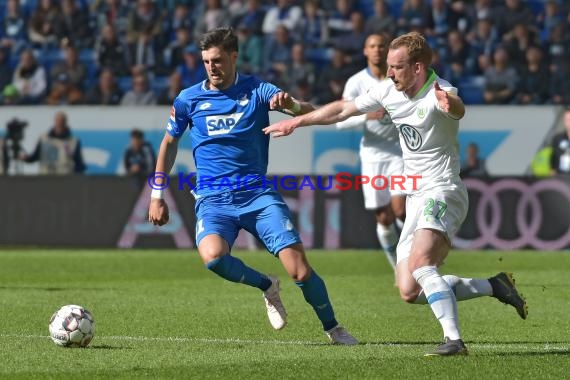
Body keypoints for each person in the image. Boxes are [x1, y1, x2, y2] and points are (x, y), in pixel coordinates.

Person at [264, 31, 527, 356]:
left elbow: (457, 109)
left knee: (421, 262)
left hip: (443, 190)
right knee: (409, 290)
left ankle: (454, 341)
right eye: (388, 66)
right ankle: (495, 285)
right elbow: (343, 110)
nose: (389, 73)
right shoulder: (389, 90)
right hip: (417, 195)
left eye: (396, 67)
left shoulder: (439, 91)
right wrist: (298, 121)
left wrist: (452, 104)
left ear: (417, 67)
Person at [148, 27, 357, 345]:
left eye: (217, 60)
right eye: (206, 61)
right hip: (213, 199)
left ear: (234, 57)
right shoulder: (189, 99)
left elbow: (309, 113)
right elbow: (168, 143)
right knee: (214, 258)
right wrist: (157, 194)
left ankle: (333, 327)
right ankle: (266, 285)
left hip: (257, 196)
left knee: (300, 271)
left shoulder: (259, 90)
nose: (211, 67)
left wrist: (293, 107)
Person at [336, 33, 405, 272]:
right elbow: (340, 121)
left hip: (400, 151)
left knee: (401, 210)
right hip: (373, 154)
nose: (377, 50)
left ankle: (417, 262)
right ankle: (398, 269)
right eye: (372, 46)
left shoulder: (400, 76)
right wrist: (366, 115)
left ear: (388, 50)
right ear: (365, 51)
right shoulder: (356, 82)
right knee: (384, 218)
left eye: (381, 46)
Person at [21, 111, 86, 174]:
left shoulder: (73, 141)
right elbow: (36, 156)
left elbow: (79, 163)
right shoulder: (44, 139)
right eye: (57, 120)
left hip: (65, 178)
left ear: (65, 122)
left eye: (62, 121)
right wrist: (26, 158)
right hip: (46, 177)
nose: (59, 123)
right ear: (54, 122)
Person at [550, 107, 570, 176]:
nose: (568, 122)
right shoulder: (557, 138)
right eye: (566, 119)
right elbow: (554, 160)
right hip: (562, 178)